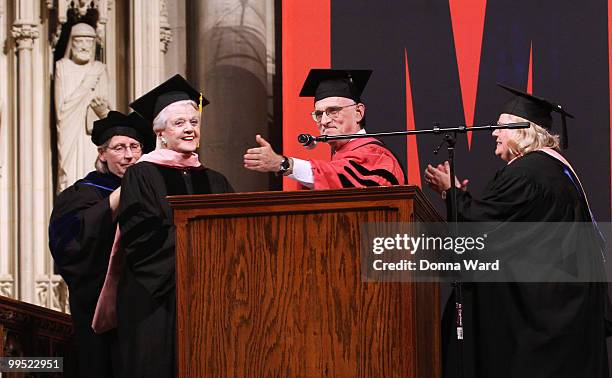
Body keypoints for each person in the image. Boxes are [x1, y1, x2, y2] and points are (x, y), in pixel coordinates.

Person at [424, 84, 609, 378]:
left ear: (524, 131)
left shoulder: (527, 173)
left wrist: (452, 195)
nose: (494, 134)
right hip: (566, 312)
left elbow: (484, 231)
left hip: (542, 322)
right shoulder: (553, 171)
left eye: (501, 127)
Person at [103, 74, 233, 377]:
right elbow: (140, 235)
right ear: (160, 131)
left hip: (209, 297)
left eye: (194, 122)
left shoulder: (216, 179)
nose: (189, 128)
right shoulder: (141, 174)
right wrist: (201, 246)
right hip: (156, 300)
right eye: (179, 123)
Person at [48, 110, 155, 378]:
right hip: (99, 309)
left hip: (147, 308)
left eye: (135, 147)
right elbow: (69, 244)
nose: (129, 155)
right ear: (102, 153)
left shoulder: (156, 194)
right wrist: (119, 197)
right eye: (119, 148)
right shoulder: (83, 192)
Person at [243, 69, 405, 188]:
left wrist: (283, 163)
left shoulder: (376, 155)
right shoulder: (342, 158)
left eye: (333, 111)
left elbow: (342, 179)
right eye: (319, 114)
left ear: (358, 112)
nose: (325, 121)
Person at [55, 22, 111, 192]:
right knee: (71, 175)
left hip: (91, 135)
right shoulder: (62, 67)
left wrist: (102, 110)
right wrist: (86, 86)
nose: (85, 45)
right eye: (80, 40)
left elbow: (108, 113)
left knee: (92, 171)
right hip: (69, 132)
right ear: (71, 43)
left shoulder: (99, 69)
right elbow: (62, 110)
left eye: (89, 41)